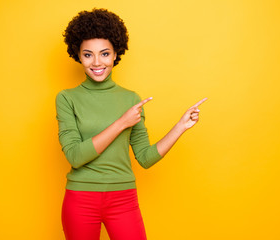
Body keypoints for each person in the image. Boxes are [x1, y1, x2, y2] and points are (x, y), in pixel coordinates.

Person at [55, 8, 207, 240]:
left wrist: (181, 126)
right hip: (81, 198)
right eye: (88, 55)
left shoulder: (131, 100)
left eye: (104, 54)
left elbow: (145, 158)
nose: (97, 62)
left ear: (116, 53)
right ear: (78, 55)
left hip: (123, 198)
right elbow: (75, 156)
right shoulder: (67, 98)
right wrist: (121, 123)